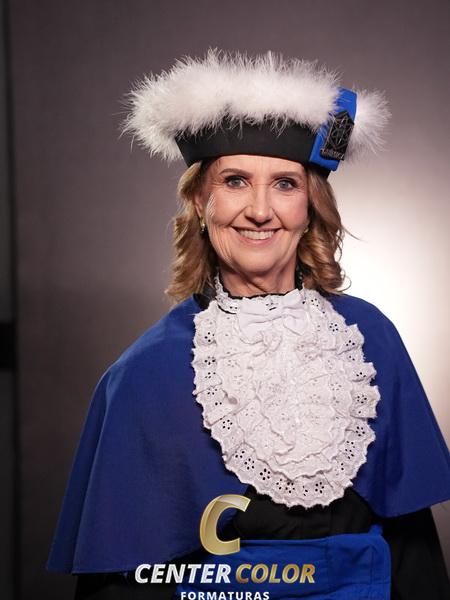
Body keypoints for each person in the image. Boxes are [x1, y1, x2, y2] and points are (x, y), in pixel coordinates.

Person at [47, 49, 450, 599]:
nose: (261, 210)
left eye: (285, 184)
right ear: (200, 202)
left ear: (310, 204)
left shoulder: (370, 338)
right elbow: (123, 581)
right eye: (235, 181)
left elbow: (413, 552)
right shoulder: (145, 373)